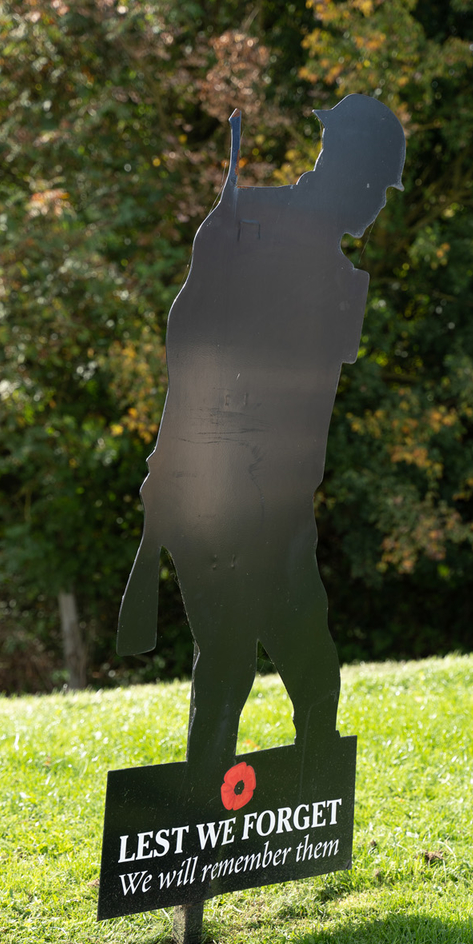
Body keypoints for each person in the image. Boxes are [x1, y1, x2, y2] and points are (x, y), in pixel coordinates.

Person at [118, 94, 406, 774]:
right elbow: (190, 348)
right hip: (217, 490)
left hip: (281, 508)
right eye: (377, 188)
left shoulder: (335, 271)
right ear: (351, 173)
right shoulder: (247, 221)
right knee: (226, 662)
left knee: (314, 665)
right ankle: (198, 836)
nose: (379, 208)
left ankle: (304, 807)